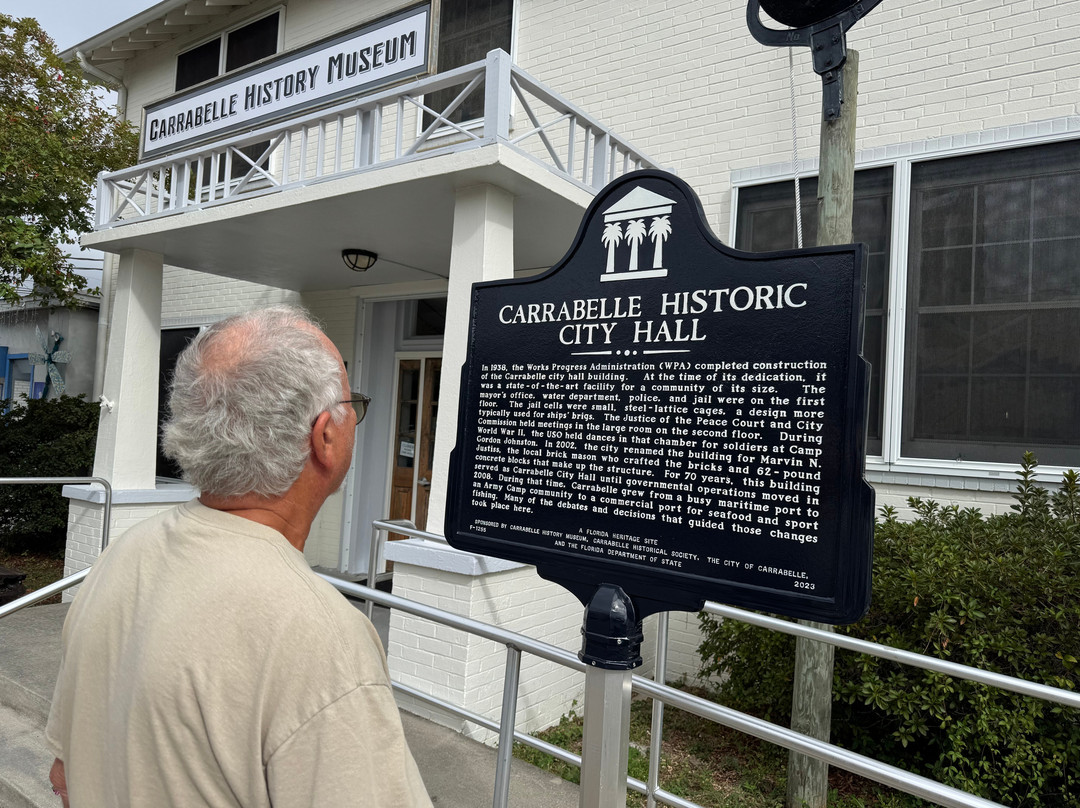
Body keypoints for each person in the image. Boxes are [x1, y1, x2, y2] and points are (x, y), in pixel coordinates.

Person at [46, 305, 432, 807]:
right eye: (349, 402)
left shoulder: (123, 554)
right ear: (325, 437)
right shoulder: (320, 637)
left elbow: (64, 775)